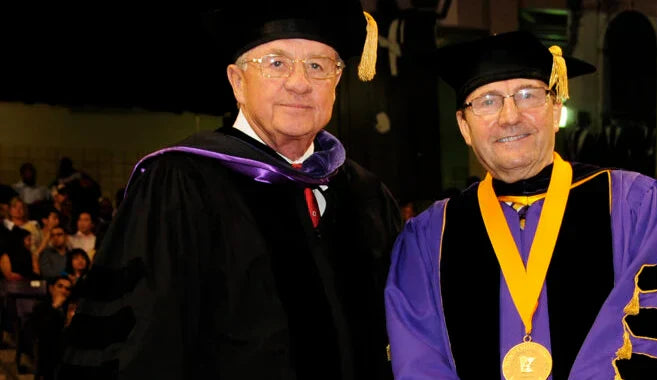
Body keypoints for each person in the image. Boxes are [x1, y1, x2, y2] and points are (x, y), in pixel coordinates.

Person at [60, 3, 401, 379]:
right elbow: (139, 344)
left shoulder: (366, 195)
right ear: (238, 82)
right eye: (276, 63)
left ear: (337, 82)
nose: (300, 83)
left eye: (318, 66)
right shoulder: (180, 183)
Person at [385, 31, 657, 379]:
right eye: (487, 101)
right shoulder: (429, 236)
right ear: (464, 126)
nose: (509, 116)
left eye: (528, 95)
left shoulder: (637, 206)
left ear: (556, 110)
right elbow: (416, 359)